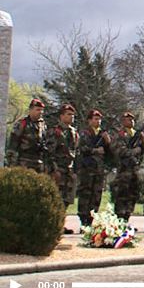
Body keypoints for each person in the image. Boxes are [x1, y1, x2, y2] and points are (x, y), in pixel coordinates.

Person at [45, 104, 79, 234]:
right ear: (61, 116)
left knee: (66, 198)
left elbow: (75, 152)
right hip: (57, 169)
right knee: (55, 197)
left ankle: (60, 224)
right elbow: (49, 152)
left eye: (72, 115)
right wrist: (54, 170)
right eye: (68, 114)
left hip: (68, 170)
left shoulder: (73, 132)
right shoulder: (54, 131)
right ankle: (52, 225)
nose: (71, 117)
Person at [77, 110, 111, 228]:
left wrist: (107, 142)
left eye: (99, 119)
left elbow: (110, 153)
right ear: (89, 120)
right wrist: (95, 150)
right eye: (95, 119)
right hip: (87, 168)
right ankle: (83, 219)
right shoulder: (85, 133)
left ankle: (92, 217)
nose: (98, 121)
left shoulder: (102, 134)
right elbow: (82, 148)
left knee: (96, 194)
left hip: (99, 169)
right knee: (86, 193)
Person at [111, 112, 144, 221]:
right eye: (127, 119)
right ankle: (120, 219)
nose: (130, 121)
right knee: (122, 194)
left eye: (132, 119)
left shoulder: (138, 134)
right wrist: (133, 151)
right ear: (123, 121)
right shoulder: (119, 134)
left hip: (134, 169)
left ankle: (127, 217)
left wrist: (140, 148)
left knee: (133, 194)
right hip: (123, 170)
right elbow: (117, 150)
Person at [6, 98, 47, 173]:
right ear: (30, 110)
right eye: (38, 110)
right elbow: (13, 145)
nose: (41, 112)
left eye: (42, 110)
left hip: (38, 163)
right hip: (23, 162)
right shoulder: (22, 123)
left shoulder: (42, 125)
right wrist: (11, 165)